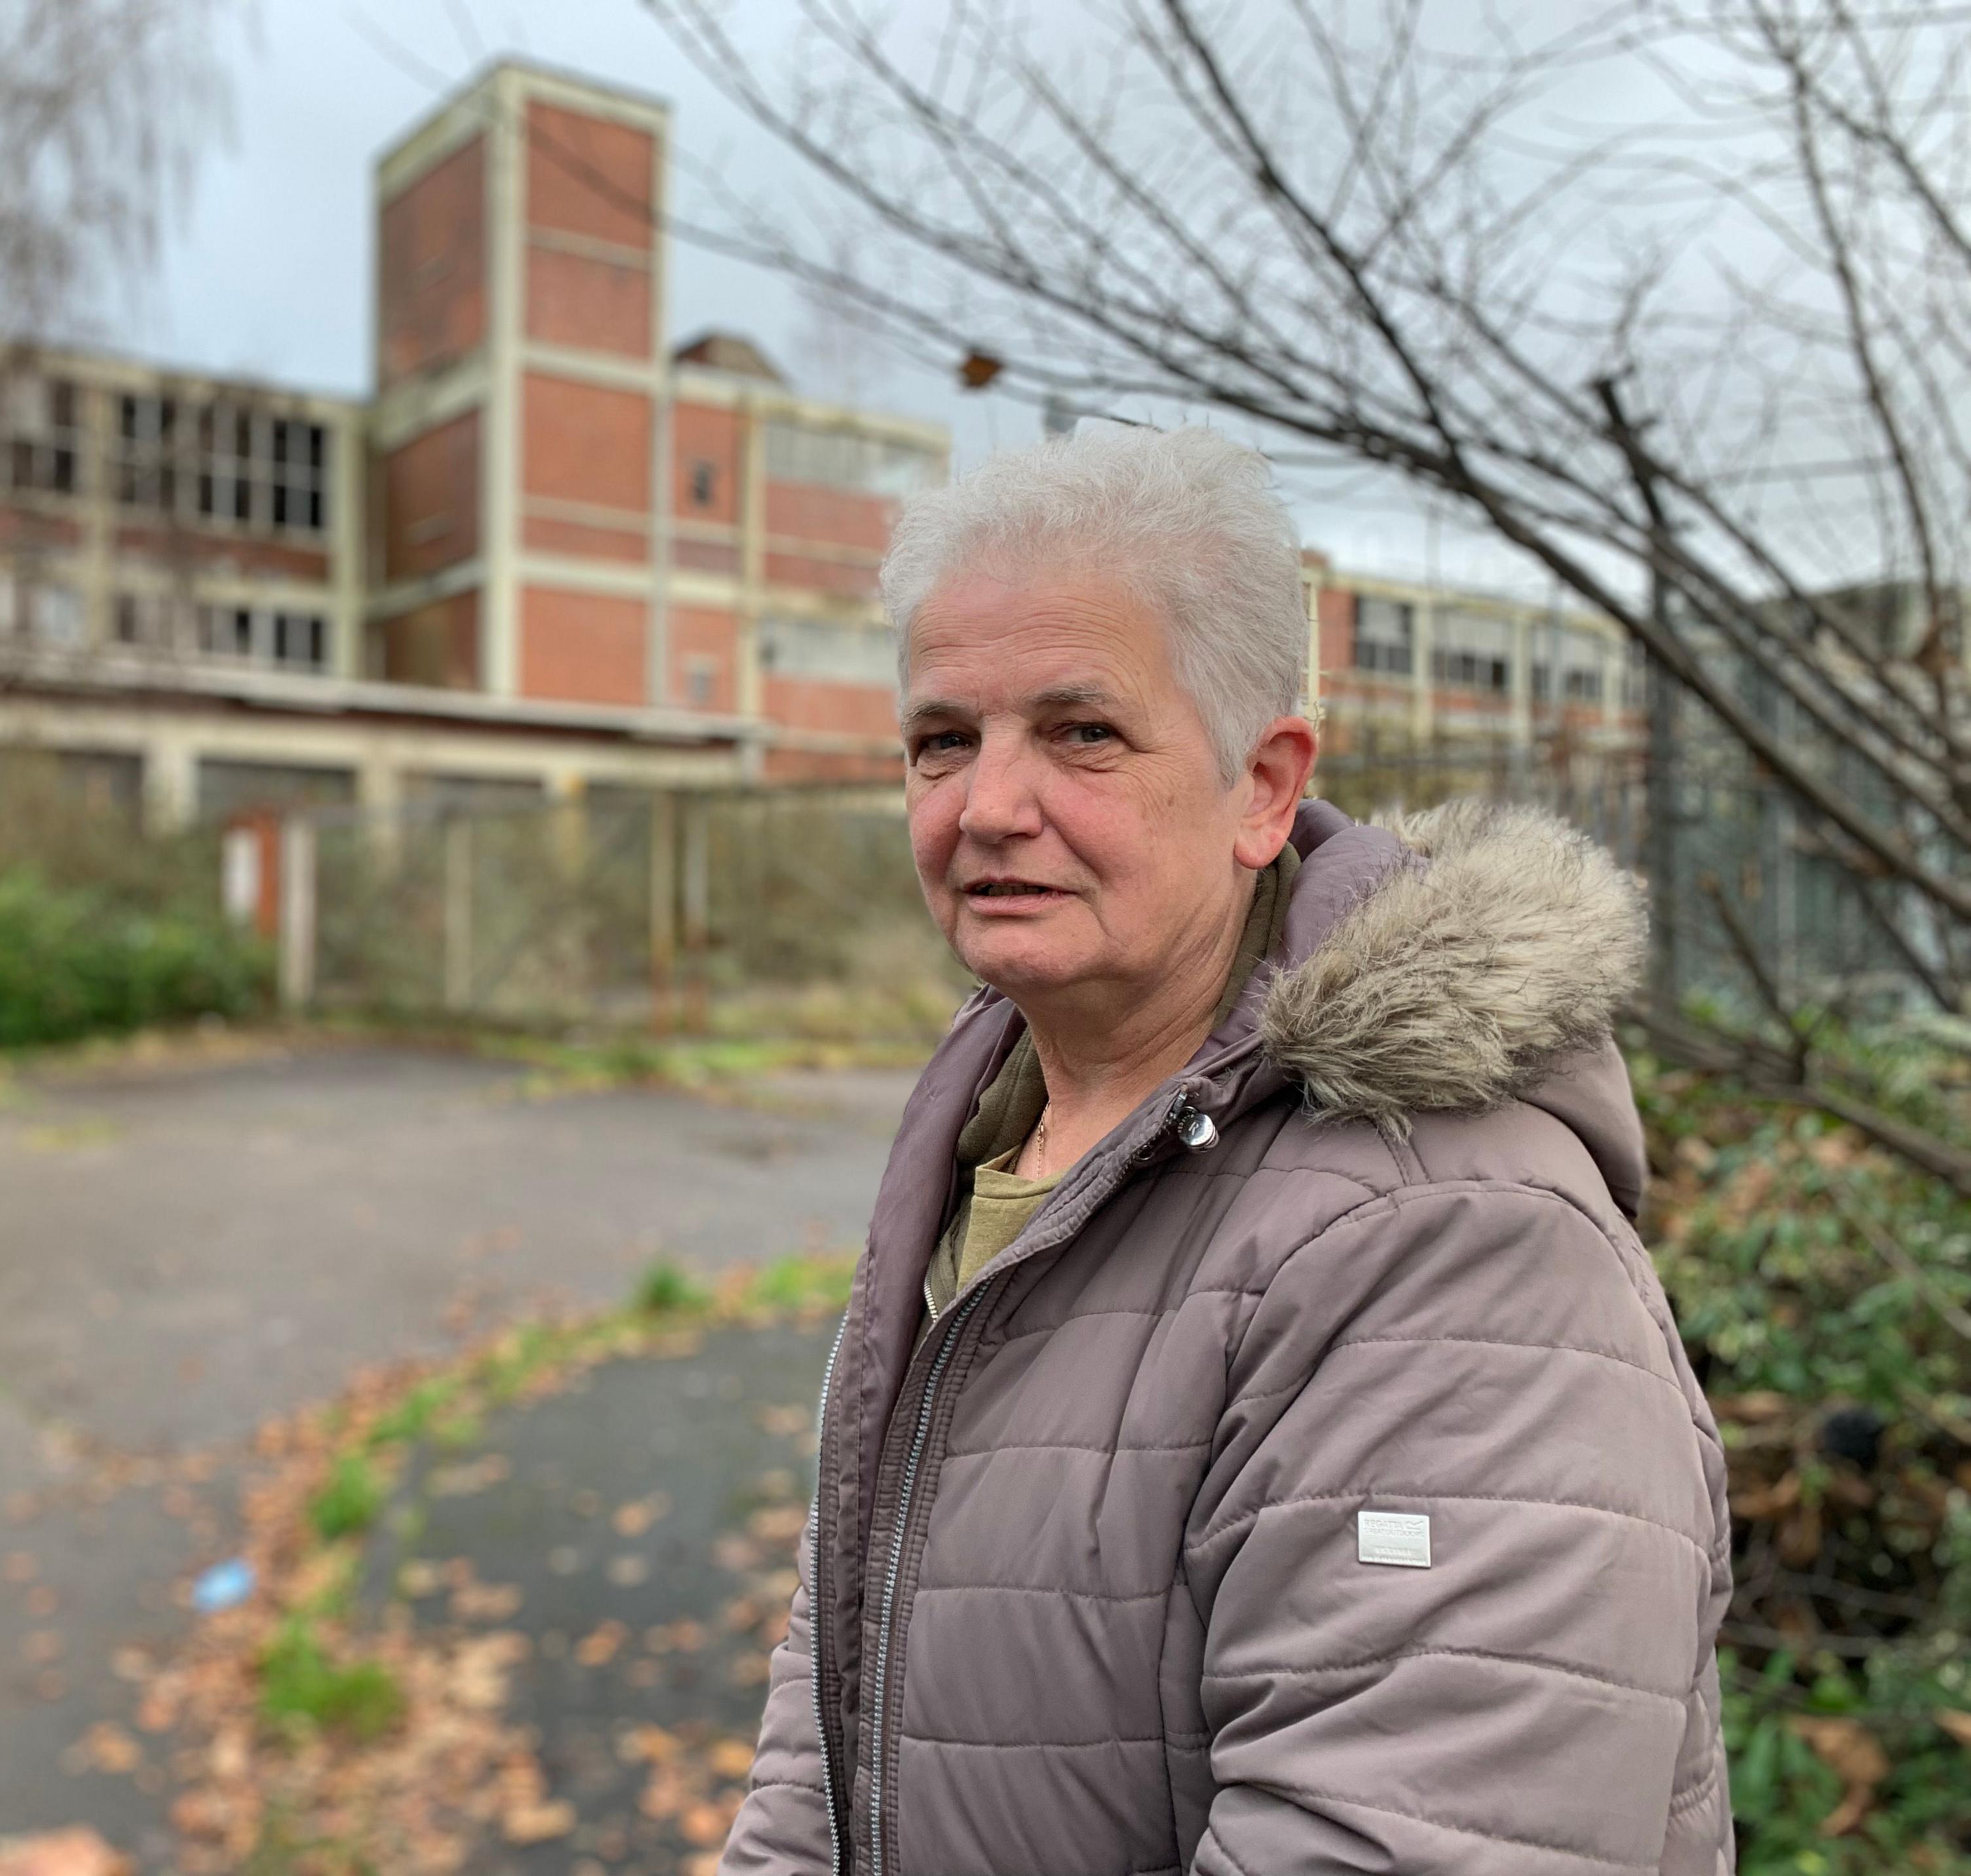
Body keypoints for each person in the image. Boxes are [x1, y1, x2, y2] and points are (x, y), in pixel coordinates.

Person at [720, 425, 1732, 1876]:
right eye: (945, 738)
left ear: (1264, 786)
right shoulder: (992, 1136)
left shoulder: (1452, 1236)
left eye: (1082, 732)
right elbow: (837, 1707)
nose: (988, 807)